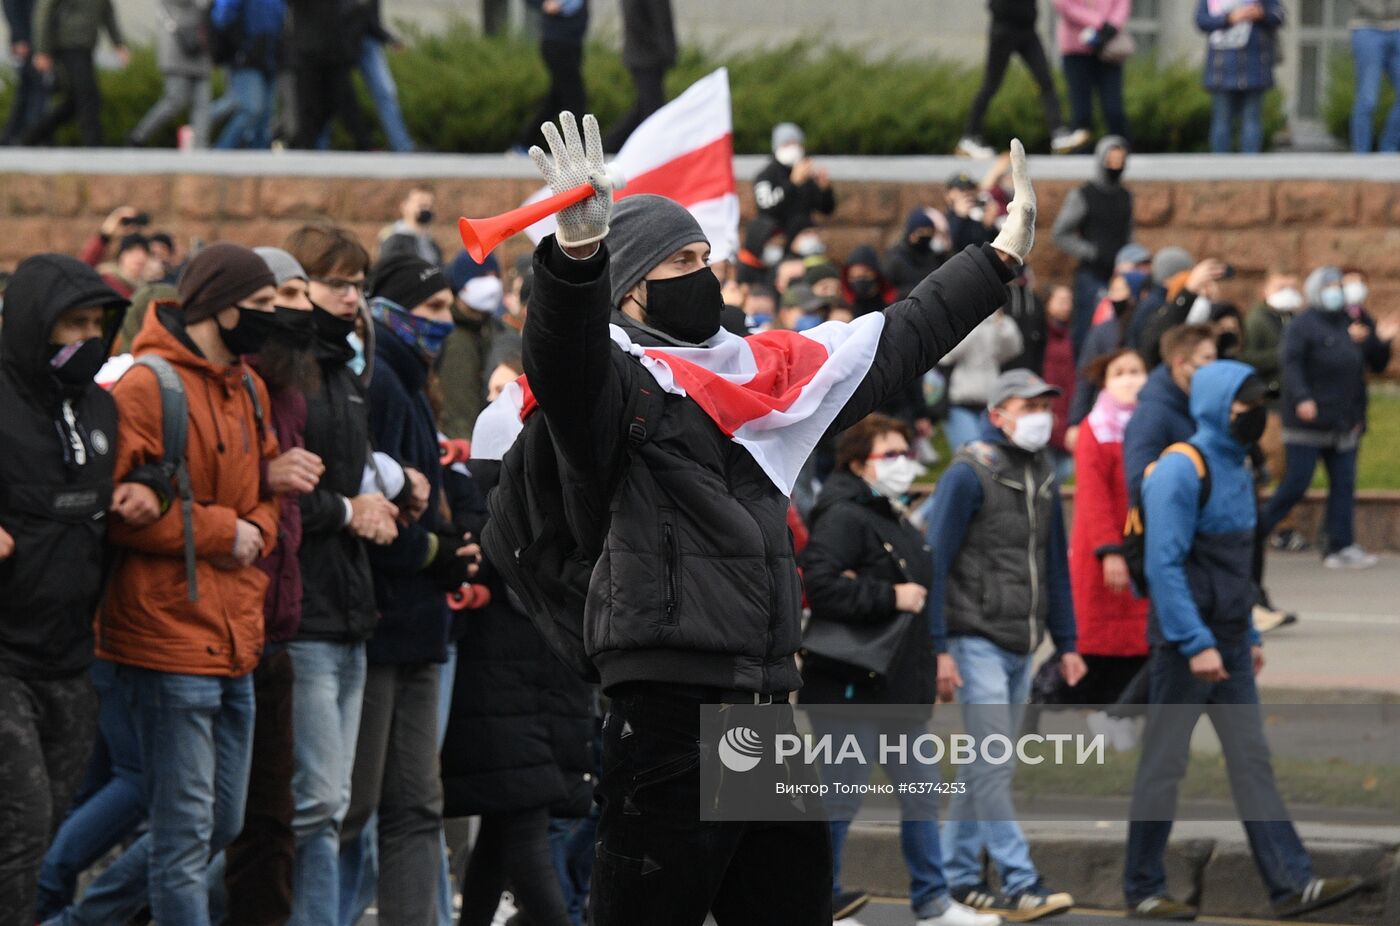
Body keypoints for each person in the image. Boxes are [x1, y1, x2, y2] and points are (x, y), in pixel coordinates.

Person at [501, 112, 1037, 925]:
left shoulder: (766, 378)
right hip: (670, 704)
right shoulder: (614, 387)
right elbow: (563, 356)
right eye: (682, 261)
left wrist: (994, 262)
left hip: (765, 700)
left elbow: (892, 342)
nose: (705, 274)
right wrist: (576, 261)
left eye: (706, 257)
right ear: (634, 286)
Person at [47, 244, 282, 926]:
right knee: (182, 840)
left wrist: (258, 533)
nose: (271, 322)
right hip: (164, 636)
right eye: (261, 308)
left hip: (235, 634)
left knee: (218, 822)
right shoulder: (148, 386)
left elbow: (264, 494)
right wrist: (222, 531)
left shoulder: (249, 386)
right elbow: (114, 508)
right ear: (221, 305)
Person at [1123, 361, 1366, 921]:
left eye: (1260, 403)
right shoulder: (1182, 470)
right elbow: (1164, 566)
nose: (1256, 414)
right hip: (1188, 647)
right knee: (1164, 764)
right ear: (1214, 405)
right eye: (1244, 404)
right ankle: (1142, 888)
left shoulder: (1238, 466)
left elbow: (1237, 569)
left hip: (1229, 640)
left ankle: (1291, 883)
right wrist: (1195, 640)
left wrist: (1248, 631)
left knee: (1251, 761)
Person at [0, 255, 160, 926]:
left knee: (40, 834)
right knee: (20, 827)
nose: (87, 338)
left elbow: (153, 466)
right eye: (72, 323)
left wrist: (150, 490)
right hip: (5, 657)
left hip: (72, 657)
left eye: (97, 324)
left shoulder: (98, 403)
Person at [799, 415, 999, 926]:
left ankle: (932, 901)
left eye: (905, 453)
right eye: (890, 454)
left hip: (892, 684)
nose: (902, 463)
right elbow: (819, 585)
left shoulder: (890, 516)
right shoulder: (845, 515)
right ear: (859, 461)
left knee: (921, 792)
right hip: (850, 684)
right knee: (842, 797)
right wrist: (891, 595)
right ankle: (823, 903)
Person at [341, 253, 478, 926]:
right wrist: (437, 554)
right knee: (349, 809)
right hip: (383, 625)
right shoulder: (381, 384)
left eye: (449, 311)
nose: (444, 324)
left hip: (418, 628)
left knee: (416, 807)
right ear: (391, 313)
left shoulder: (409, 382)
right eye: (432, 311)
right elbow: (374, 513)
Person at [924, 369, 1082, 922]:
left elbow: (1054, 563)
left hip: (1023, 639)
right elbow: (935, 562)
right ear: (997, 415)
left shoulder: (1041, 471)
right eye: (1028, 404)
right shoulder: (969, 475)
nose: (1041, 414)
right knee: (993, 762)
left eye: (1046, 404)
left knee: (987, 764)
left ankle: (959, 875)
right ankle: (1021, 881)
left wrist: (1067, 641)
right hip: (975, 638)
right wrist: (939, 646)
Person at [281, 224, 399, 926]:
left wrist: (379, 499)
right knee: (315, 807)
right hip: (304, 613)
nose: (352, 297)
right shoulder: (289, 368)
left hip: (349, 607)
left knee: (335, 804)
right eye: (336, 283)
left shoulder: (350, 370)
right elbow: (281, 486)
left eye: (359, 284)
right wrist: (348, 511)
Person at [217, 247, 325, 925]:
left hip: (276, 631)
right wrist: (267, 478)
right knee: (207, 822)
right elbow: (200, 489)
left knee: (273, 818)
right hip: (219, 635)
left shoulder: (290, 385)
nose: (301, 307)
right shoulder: (234, 383)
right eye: (282, 294)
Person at [1257, 267, 1396, 570]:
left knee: (1344, 485)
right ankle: (1255, 535)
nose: (1337, 291)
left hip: (1344, 421)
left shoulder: (1352, 320)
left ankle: (1340, 545)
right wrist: (1303, 398)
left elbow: (1375, 363)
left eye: (1338, 286)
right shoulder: (1303, 325)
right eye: (1330, 286)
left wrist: (1379, 340)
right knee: (1296, 483)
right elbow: (1291, 365)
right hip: (1308, 422)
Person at [1067, 349, 1150, 706]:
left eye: (1136, 370)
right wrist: (1109, 549)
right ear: (1105, 382)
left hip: (1144, 547)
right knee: (1102, 639)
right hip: (1104, 549)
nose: (1129, 379)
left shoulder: (1151, 424)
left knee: (1142, 640)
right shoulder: (1095, 428)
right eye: (1120, 372)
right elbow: (1093, 497)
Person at [958, 0, 1087, 158]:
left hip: (1028, 31)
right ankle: (969, 137)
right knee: (991, 85)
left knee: (1045, 82)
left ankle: (1058, 133)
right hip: (1004, 30)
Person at [1052, 136, 1133, 357]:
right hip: (1091, 274)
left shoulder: (1125, 196)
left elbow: (1128, 233)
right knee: (1086, 329)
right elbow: (1060, 233)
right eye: (1112, 159)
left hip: (1119, 274)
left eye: (1121, 160)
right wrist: (1091, 252)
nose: (1116, 164)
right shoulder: (1084, 195)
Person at [23, 0, 127, 146]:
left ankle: (30, 138)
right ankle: (94, 147)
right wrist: (41, 50)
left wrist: (118, 43)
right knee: (88, 96)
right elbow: (43, 13)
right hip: (66, 44)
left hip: (86, 46)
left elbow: (107, 13)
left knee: (74, 101)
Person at [1195, 0, 1284, 154]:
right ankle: (1219, 170)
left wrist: (1261, 13)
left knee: (1252, 121)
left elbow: (1279, 15)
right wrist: (1228, 18)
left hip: (1255, 67)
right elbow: (1201, 20)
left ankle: (1249, 171)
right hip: (1221, 70)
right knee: (1221, 121)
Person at [1240, 270, 1302, 489]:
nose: (1288, 293)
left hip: (1292, 402)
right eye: (1281, 288)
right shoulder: (1257, 321)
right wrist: (1283, 355)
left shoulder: (1293, 319)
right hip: (1270, 402)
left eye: (1292, 288)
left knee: (1291, 466)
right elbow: (1246, 358)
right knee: (1273, 460)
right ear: (1265, 291)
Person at [126, 0, 213, 148]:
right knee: (175, 100)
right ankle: (139, 135)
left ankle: (201, 148)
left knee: (203, 104)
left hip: (200, 45)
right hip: (177, 45)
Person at [287, 0, 370, 149]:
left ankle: (364, 146)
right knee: (310, 108)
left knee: (346, 105)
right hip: (309, 53)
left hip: (334, 53)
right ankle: (305, 150)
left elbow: (356, 8)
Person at [937, 310, 1023, 450]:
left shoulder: (995, 320)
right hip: (960, 402)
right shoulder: (957, 320)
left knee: (994, 453)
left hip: (990, 403)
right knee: (971, 451)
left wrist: (1000, 324)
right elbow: (947, 357)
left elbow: (1013, 350)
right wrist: (972, 325)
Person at [513, 0, 589, 153]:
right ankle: (580, 149)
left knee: (556, 99)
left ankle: (524, 142)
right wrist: (542, 4)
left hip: (572, 43)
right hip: (557, 41)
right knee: (574, 96)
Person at [1053, 0, 1131, 144]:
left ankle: (1119, 155)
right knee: (1081, 113)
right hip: (1076, 50)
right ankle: (1080, 159)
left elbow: (1122, 4)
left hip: (1108, 48)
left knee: (1114, 110)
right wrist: (1100, 23)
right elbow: (1063, 5)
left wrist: (1112, 26)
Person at [211, 0, 285, 149]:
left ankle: (260, 163)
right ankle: (219, 153)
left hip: (270, 56)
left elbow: (279, 16)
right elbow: (222, 16)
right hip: (246, 57)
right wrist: (240, 46)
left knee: (265, 116)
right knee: (251, 110)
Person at [602, 0, 675, 152]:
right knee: (653, 111)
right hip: (645, 56)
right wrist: (663, 50)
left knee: (644, 108)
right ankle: (650, 151)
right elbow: (642, 22)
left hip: (648, 56)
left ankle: (606, 146)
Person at [754, 122, 837, 239]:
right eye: (787, 143)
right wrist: (792, 184)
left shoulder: (806, 175)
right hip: (776, 239)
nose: (793, 147)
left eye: (796, 143)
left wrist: (825, 190)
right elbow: (766, 209)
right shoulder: (766, 176)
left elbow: (826, 209)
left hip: (803, 238)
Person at [1349, 0, 1400, 153]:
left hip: (1398, 29)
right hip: (1367, 27)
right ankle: (1361, 155)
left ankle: (1388, 152)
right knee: (1368, 98)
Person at [2, 0, 49, 144]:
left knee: (28, 90)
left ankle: (12, 137)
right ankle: (32, 137)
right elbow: (11, 7)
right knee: (35, 89)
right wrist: (19, 38)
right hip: (27, 41)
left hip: (39, 41)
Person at [379, 188, 442, 265]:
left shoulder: (431, 243)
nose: (427, 210)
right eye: (422, 205)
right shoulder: (394, 239)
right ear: (404, 206)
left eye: (430, 206)